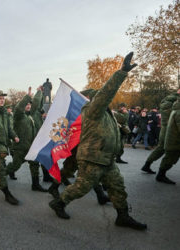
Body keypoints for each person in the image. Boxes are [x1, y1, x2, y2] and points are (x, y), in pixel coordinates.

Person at [48, 52, 147, 230]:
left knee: (118, 186)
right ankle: (59, 203)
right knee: (81, 187)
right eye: (100, 97)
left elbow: (114, 127)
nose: (106, 100)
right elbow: (105, 95)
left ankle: (123, 216)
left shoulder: (107, 114)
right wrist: (121, 72)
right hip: (92, 158)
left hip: (107, 158)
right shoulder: (93, 110)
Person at [6, 86, 48, 192]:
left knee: (34, 165)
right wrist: (27, 96)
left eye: (29, 104)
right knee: (15, 166)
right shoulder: (18, 116)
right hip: (20, 147)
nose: (28, 106)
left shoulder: (29, 116)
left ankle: (35, 184)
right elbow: (19, 107)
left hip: (30, 146)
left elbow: (36, 103)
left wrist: (39, 92)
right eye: (27, 104)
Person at [142, 89, 180, 173]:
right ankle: (161, 173)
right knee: (171, 151)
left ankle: (147, 165)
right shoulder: (173, 103)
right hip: (170, 130)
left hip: (165, 128)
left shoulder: (167, 101)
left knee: (160, 148)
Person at [156, 97, 179, 184]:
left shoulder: (176, 108)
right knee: (169, 158)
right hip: (174, 141)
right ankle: (160, 175)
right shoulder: (178, 111)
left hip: (173, 140)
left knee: (169, 158)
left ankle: (160, 175)